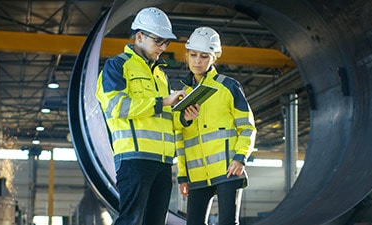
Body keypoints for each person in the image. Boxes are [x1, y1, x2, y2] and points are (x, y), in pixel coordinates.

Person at [95, 7, 199, 225]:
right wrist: (163, 102)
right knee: (131, 221)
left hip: (162, 163)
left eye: (166, 43)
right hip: (134, 159)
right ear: (139, 36)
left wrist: (184, 117)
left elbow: (165, 119)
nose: (162, 48)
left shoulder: (161, 75)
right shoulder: (117, 66)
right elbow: (117, 107)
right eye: (158, 41)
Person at [176, 27, 257, 225]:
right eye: (193, 55)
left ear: (214, 57)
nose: (197, 61)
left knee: (228, 222)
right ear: (186, 55)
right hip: (196, 173)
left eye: (204, 56)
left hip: (228, 169)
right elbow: (180, 138)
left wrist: (240, 158)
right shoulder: (182, 95)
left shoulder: (228, 86)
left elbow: (247, 126)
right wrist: (182, 175)